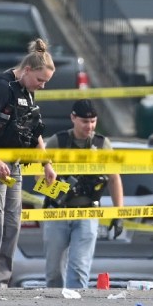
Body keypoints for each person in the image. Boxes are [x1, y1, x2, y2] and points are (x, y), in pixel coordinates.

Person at [0, 38, 57, 288]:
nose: (42, 86)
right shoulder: (1, 86)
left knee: (11, 224)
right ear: (27, 70)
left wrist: (46, 163)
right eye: (40, 80)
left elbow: (34, 131)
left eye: (46, 82)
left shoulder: (27, 92)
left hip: (13, 165)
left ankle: (3, 282)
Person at [42, 99, 124, 289]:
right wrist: (59, 191)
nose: (90, 126)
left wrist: (119, 214)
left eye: (93, 121)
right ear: (73, 118)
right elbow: (38, 174)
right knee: (53, 272)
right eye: (85, 122)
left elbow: (114, 178)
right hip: (58, 212)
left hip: (87, 212)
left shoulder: (102, 144)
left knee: (79, 270)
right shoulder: (59, 141)